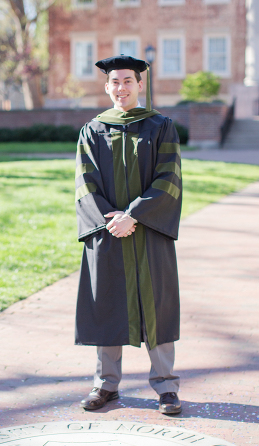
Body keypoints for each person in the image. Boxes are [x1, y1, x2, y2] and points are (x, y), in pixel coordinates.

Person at [74, 55, 183, 415]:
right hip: (109, 233)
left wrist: (133, 216)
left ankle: (166, 387)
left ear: (140, 85)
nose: (121, 88)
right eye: (115, 82)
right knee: (107, 304)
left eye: (127, 81)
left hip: (149, 231)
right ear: (106, 87)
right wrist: (114, 220)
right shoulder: (92, 130)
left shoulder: (161, 127)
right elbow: (84, 184)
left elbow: (169, 179)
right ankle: (105, 385)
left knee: (158, 307)